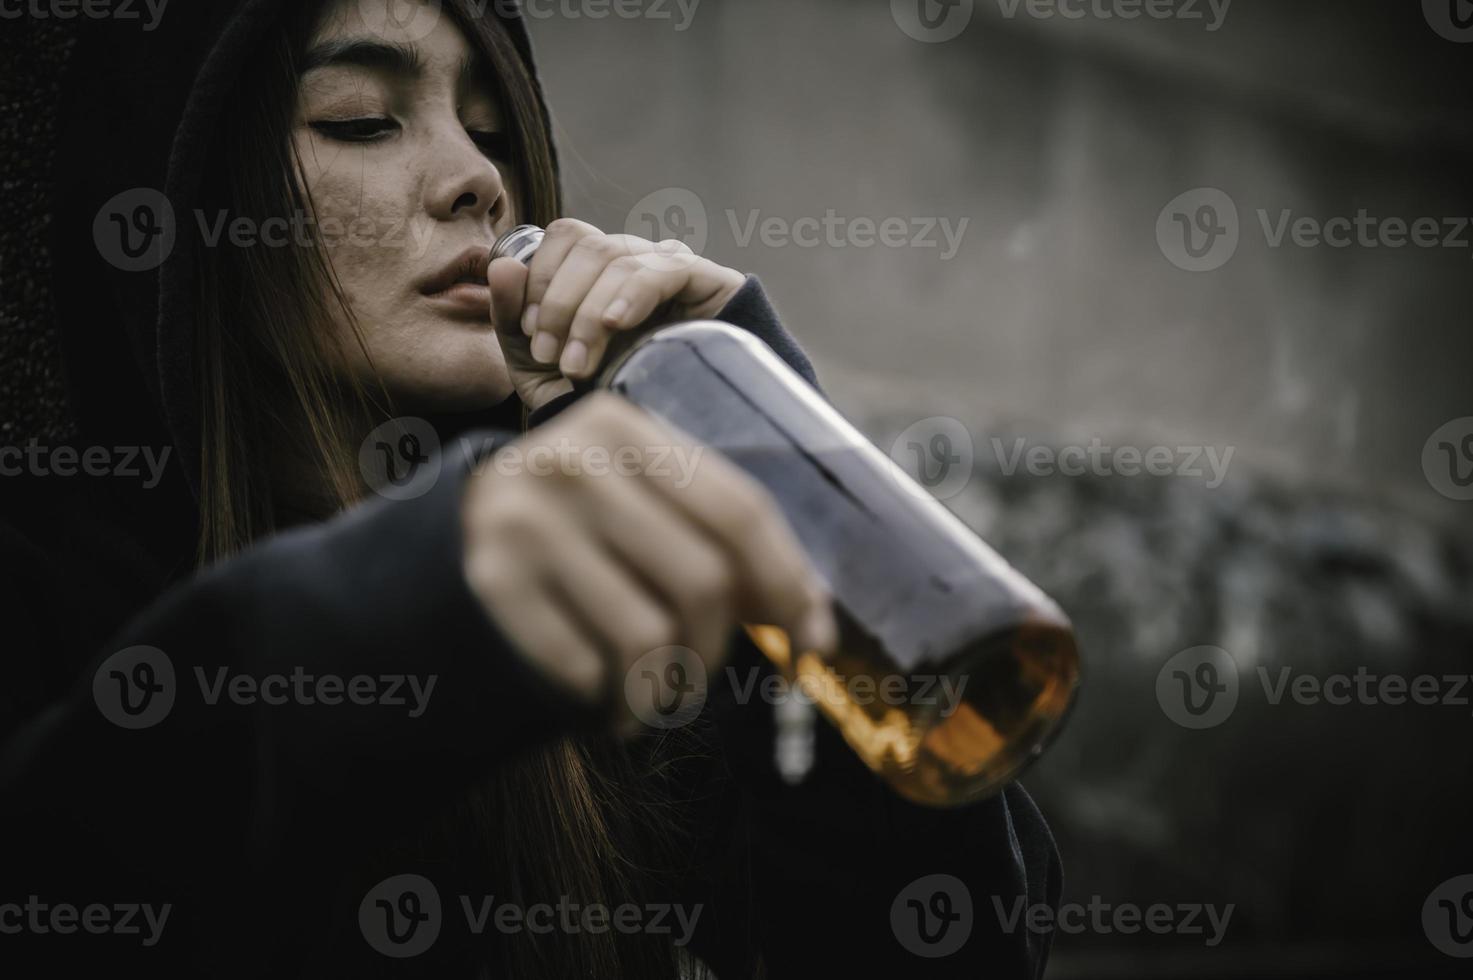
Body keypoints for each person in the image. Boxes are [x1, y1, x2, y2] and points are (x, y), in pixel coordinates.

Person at [0, 1, 1062, 975]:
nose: (477, 179)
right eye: (363, 118)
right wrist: (383, 618)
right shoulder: (51, 607)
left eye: (496, 130)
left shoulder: (615, 641)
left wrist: (775, 454)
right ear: (185, 192)